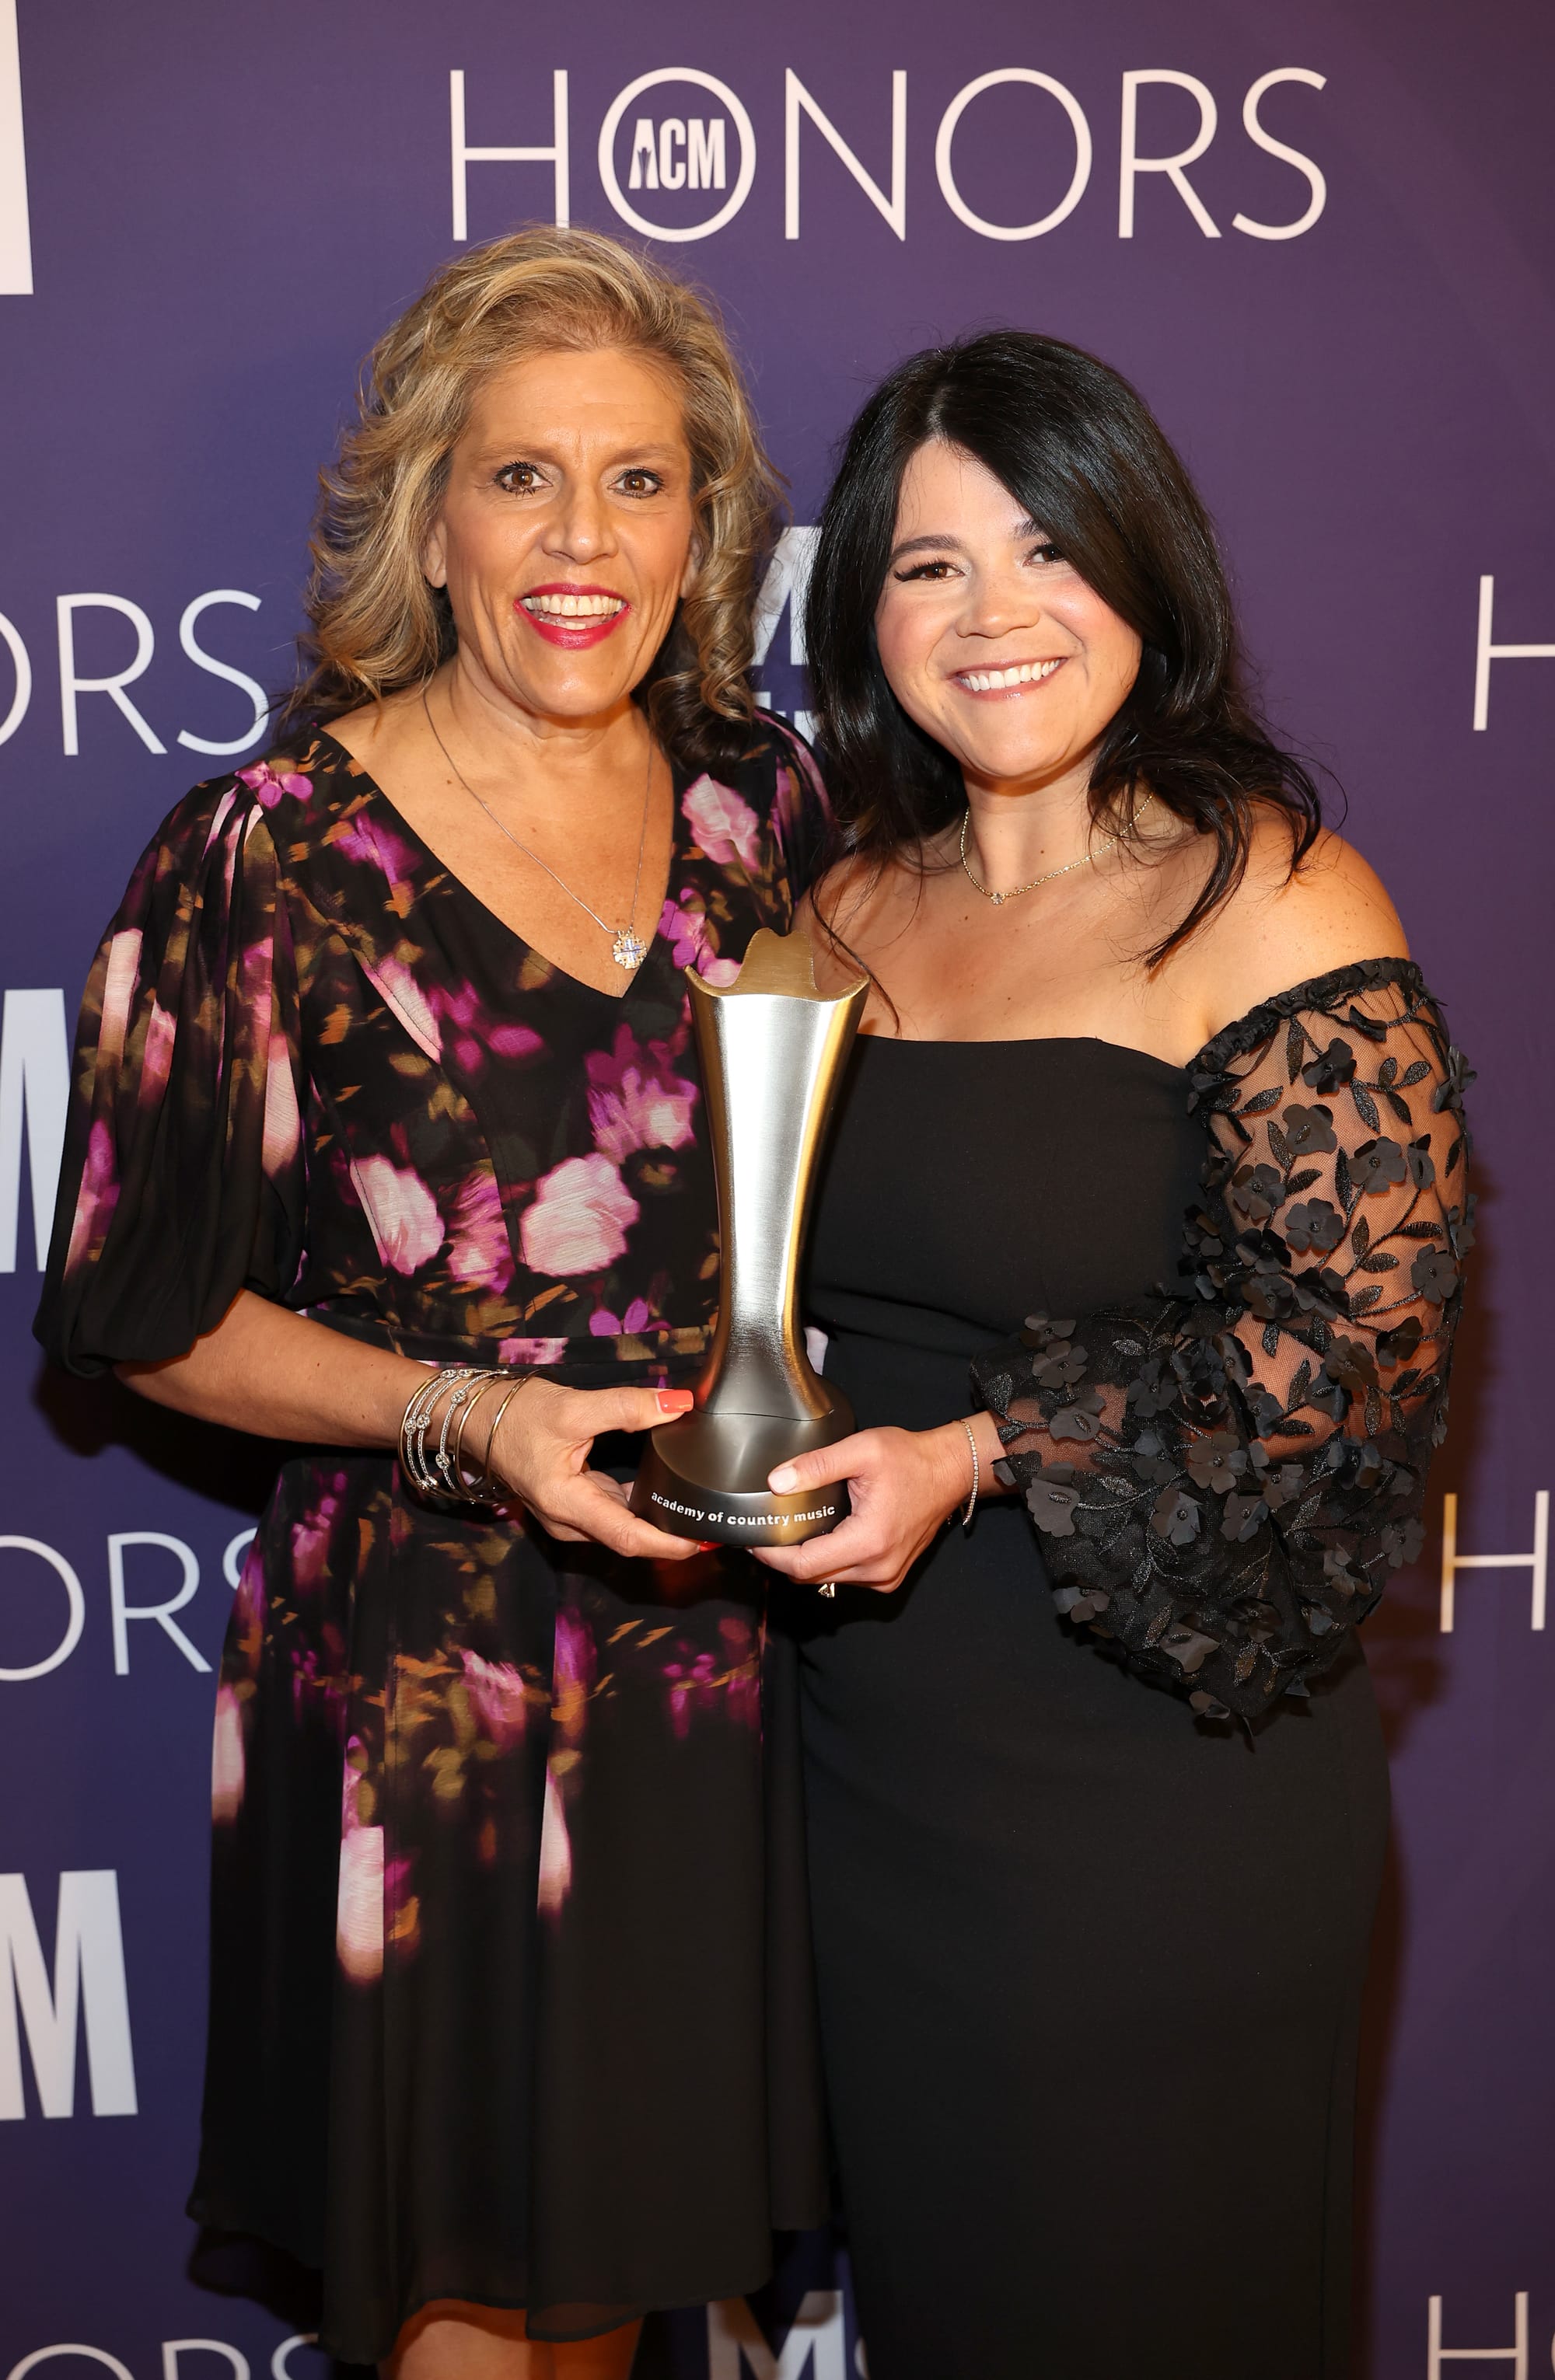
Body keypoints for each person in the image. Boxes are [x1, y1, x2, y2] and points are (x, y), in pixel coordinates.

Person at [34, 227, 830, 2380]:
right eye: (522, 478)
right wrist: (469, 1417)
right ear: (428, 515)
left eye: (639, 481)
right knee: (470, 2307)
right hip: (427, 1686)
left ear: (705, 528)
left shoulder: (770, 809)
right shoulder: (265, 854)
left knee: (632, 2302)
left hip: (718, 1670)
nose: (583, 542)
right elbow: (137, 1313)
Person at [754, 331, 1472, 2378]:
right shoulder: (836, 912)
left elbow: (1348, 1355)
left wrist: (976, 1450)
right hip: (872, 1778)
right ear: (863, 611)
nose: (994, 614)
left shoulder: (1269, 896)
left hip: (1158, 1793)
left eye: (1049, 549)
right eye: (930, 565)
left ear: (1144, 569)